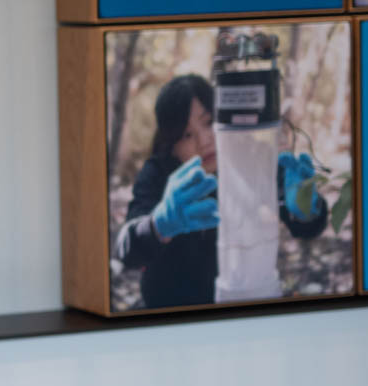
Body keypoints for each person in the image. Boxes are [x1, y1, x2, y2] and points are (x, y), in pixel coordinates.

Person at [112, 73, 327, 309]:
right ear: (170, 144)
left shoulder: (253, 156)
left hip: (241, 308)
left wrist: (307, 206)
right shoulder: (158, 172)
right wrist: (158, 226)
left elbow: (306, 227)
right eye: (186, 135)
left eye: (209, 122)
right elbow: (126, 249)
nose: (204, 140)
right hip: (170, 312)